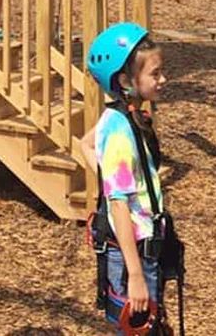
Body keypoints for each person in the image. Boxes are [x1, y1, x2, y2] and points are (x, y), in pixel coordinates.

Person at [83, 22, 183, 334]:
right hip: (133, 257)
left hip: (143, 250)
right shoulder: (119, 131)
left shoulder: (123, 118)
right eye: (155, 73)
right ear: (126, 80)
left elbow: (85, 144)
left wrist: (109, 177)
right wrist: (136, 275)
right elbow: (119, 205)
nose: (163, 79)